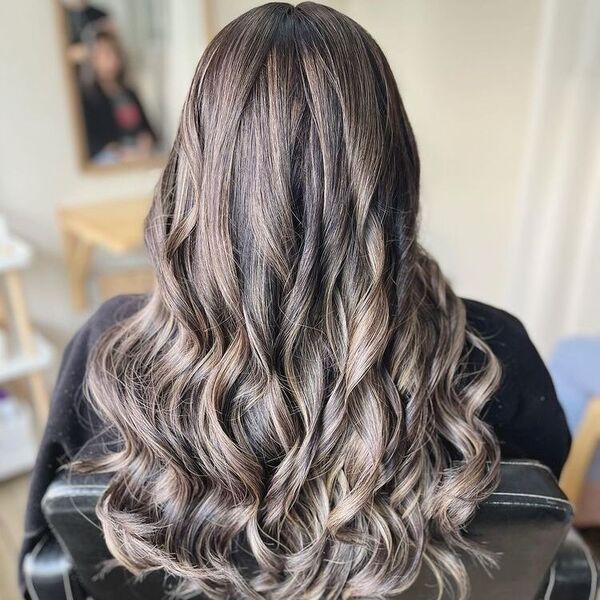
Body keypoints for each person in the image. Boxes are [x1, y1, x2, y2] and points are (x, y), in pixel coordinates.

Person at [20, 3, 571, 599]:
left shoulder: (107, 357)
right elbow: (528, 555)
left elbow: (46, 570)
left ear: (198, 168)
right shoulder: (498, 357)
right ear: (392, 163)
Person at [80, 31, 157, 163]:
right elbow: (89, 142)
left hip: (140, 154)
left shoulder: (130, 93)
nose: (110, 58)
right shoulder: (88, 98)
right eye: (104, 54)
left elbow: (150, 131)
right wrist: (115, 150)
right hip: (111, 159)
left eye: (113, 52)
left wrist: (147, 140)